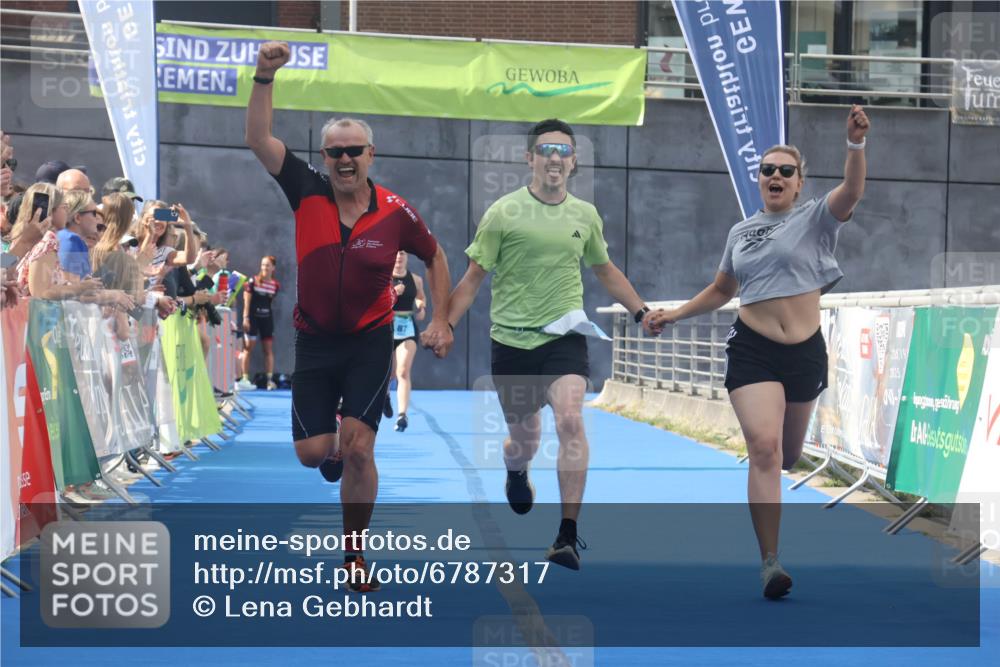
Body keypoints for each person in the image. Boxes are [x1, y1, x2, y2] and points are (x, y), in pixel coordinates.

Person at [245, 41, 453, 591]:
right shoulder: (306, 189)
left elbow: (436, 257)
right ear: (325, 155)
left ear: (370, 154)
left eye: (353, 150)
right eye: (334, 150)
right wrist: (264, 75)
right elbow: (259, 140)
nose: (343, 159)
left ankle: (355, 556)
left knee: (361, 449)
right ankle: (332, 441)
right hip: (314, 341)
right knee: (315, 454)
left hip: (368, 340)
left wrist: (443, 321)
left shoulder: (395, 211)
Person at [649, 105, 871, 599]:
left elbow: (852, 190)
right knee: (765, 450)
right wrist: (673, 314)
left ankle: (775, 513)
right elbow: (721, 290)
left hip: (805, 353)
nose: (775, 176)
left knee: (789, 454)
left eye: (785, 171)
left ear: (798, 183)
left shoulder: (816, 218)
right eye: (767, 170)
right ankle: (771, 562)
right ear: (759, 180)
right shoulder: (740, 233)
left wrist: (854, 144)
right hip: (752, 350)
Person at [438, 118, 661, 571]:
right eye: (546, 150)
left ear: (574, 162)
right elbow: (473, 277)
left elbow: (605, 270)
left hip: (565, 336)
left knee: (571, 419)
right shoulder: (503, 212)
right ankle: (516, 469)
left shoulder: (585, 215)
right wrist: (444, 323)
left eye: (564, 151)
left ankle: (567, 535)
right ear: (529, 158)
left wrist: (640, 311)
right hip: (512, 342)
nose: (555, 159)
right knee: (525, 439)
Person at [383, 251, 427, 431]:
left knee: (402, 371)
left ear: (407, 256)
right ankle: (385, 396)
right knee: (389, 374)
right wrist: (393, 292)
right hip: (386, 329)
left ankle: (402, 415)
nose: (399, 257)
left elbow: (420, 297)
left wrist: (420, 306)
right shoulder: (383, 278)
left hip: (407, 329)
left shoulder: (415, 279)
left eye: (402, 253)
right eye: (396, 253)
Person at [239, 255, 280, 390]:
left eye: (267, 265)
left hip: (267, 319)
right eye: (263, 265)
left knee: (268, 349)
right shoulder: (253, 281)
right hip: (252, 318)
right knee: (248, 347)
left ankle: (269, 380)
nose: (264, 268)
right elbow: (247, 300)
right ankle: (245, 379)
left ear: (273, 268)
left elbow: (270, 302)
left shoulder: (275, 285)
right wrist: (246, 318)